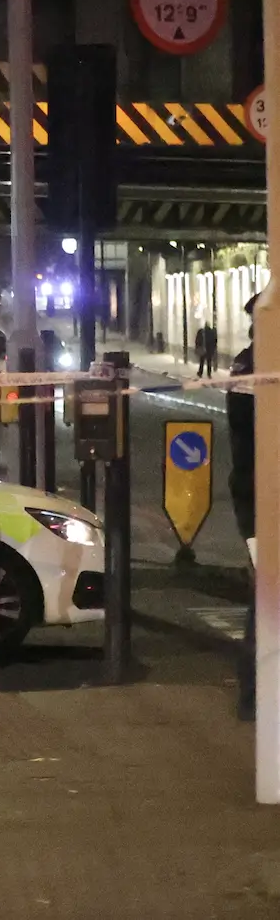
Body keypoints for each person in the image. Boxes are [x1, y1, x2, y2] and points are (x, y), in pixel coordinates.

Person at [230, 297, 258, 721]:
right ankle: (254, 692)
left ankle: (253, 692)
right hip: (260, 500)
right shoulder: (253, 369)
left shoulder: (246, 365)